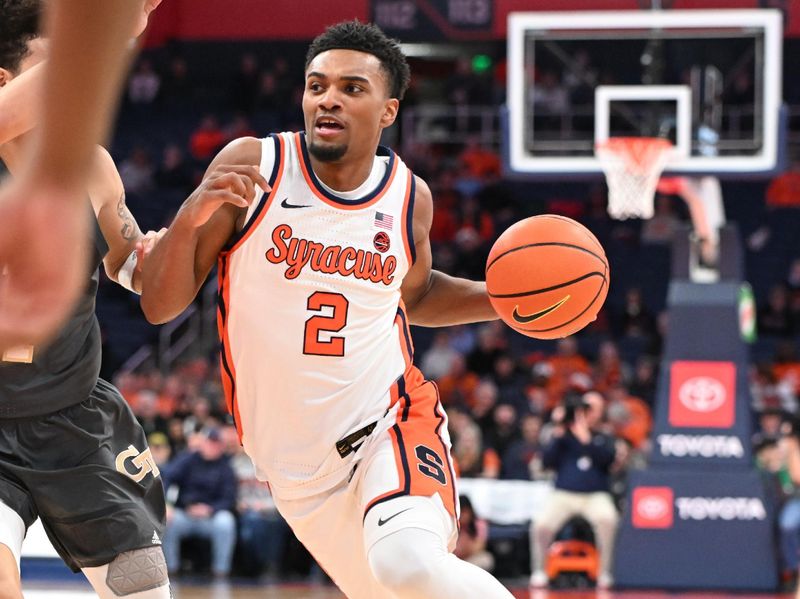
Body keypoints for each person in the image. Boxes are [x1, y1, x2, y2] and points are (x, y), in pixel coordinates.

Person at [142, 20, 514, 599]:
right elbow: (160, 306)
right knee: (395, 588)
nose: (328, 99)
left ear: (388, 111)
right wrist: (191, 213)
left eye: (351, 88)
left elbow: (412, 296)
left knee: (409, 564)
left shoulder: (408, 195)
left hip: (388, 423)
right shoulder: (256, 167)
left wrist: (500, 301)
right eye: (316, 86)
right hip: (292, 471)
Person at [0, 3, 171, 598]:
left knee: (143, 588)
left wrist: (172, 244)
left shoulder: (92, 164)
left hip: (73, 415)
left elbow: (131, 268)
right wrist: (116, 22)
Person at [0, 0, 157, 352]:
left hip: (72, 400)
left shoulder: (92, 164)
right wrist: (113, 34)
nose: (72, 89)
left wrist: (181, 236)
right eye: (51, 69)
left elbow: (129, 264)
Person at [529, 391, 618, 590]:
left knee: (608, 519)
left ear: (601, 412)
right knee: (541, 524)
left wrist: (585, 437)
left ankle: (604, 573)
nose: (588, 413)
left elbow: (608, 460)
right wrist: (560, 431)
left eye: (593, 409)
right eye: (585, 408)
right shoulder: (563, 437)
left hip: (595, 495)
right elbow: (546, 461)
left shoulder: (604, 436)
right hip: (563, 494)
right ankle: (539, 571)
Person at [161, 427, 238, 579]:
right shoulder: (188, 460)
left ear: (221, 446)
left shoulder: (226, 467)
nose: (212, 447)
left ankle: (221, 571)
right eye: (210, 442)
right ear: (203, 443)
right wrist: (166, 504)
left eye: (216, 444)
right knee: (167, 520)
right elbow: (167, 478)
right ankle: (170, 570)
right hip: (185, 513)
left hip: (211, 516)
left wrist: (210, 509)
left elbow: (229, 498)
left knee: (226, 522)